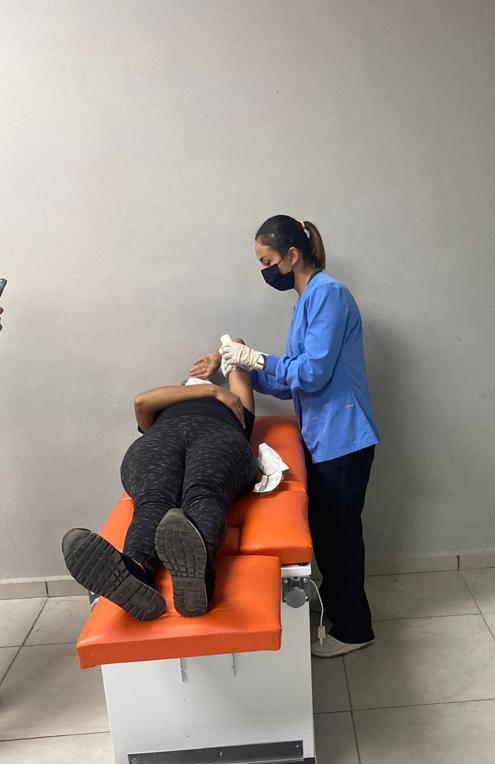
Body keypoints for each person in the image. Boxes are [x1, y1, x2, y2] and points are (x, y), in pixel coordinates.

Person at [190, 215, 379, 658]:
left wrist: (253, 357)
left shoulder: (329, 294)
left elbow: (311, 374)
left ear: (292, 255)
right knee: (327, 534)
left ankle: (354, 629)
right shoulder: (305, 303)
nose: (265, 270)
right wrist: (238, 367)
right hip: (322, 436)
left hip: (344, 437)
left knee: (340, 537)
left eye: (267, 261)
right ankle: (336, 607)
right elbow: (291, 382)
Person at [62, 367, 258, 620]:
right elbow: (141, 401)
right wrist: (212, 391)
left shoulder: (235, 404)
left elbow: (238, 361)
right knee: (160, 499)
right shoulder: (169, 406)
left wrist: (220, 360)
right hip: (162, 438)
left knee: (199, 492)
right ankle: (136, 572)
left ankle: (188, 573)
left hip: (219, 436)